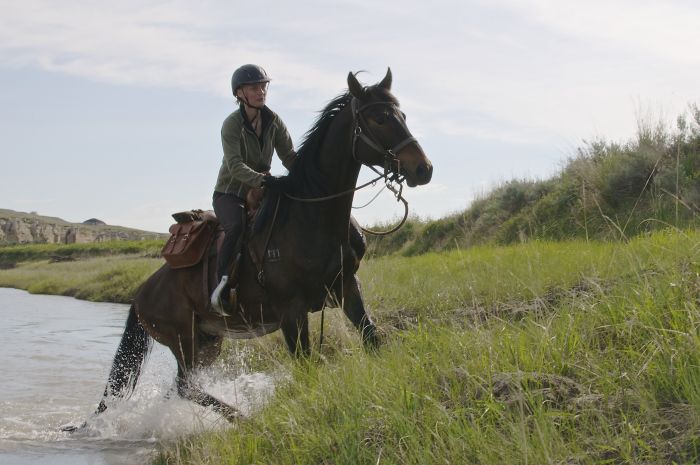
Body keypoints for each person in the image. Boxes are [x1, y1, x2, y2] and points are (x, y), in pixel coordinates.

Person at [210, 64, 296, 316]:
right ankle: (222, 285)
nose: (260, 91)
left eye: (263, 86)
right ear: (239, 93)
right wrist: (265, 181)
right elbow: (235, 165)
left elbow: (289, 156)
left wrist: (310, 175)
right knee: (236, 225)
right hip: (229, 194)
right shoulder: (231, 124)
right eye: (253, 87)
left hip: (262, 189)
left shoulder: (274, 121)